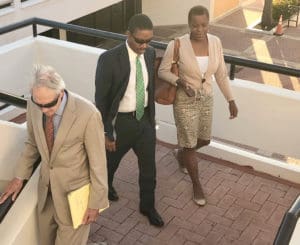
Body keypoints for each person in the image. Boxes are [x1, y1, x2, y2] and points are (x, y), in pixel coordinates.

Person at [0, 65, 109, 245]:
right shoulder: (33, 105)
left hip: (75, 200)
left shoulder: (88, 114)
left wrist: (96, 203)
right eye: (38, 104)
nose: (43, 110)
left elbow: (98, 163)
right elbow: (32, 143)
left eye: (49, 105)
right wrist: (19, 177)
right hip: (46, 194)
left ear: (61, 93)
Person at [158, 5, 238, 206]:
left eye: (203, 25)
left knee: (204, 139)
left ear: (208, 24)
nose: (199, 30)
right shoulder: (177, 44)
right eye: (195, 26)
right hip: (184, 101)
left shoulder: (216, 43)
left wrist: (231, 100)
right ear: (188, 25)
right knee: (190, 144)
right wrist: (180, 82)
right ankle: (196, 184)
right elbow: (162, 71)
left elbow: (220, 74)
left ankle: (180, 153)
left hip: (206, 99)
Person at [95, 14, 164, 227]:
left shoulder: (151, 54)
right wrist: (107, 132)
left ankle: (148, 206)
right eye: (140, 41)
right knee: (109, 164)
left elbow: (149, 88)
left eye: (148, 40)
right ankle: (106, 188)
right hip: (120, 124)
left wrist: (151, 122)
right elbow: (101, 100)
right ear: (128, 35)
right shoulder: (109, 58)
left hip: (144, 122)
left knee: (149, 169)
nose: (144, 45)